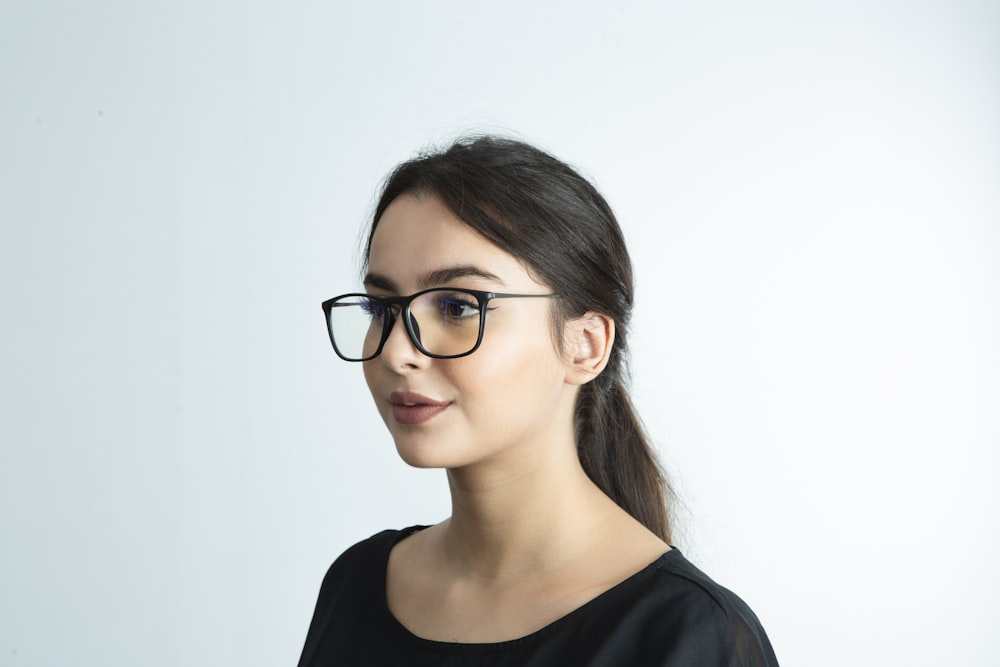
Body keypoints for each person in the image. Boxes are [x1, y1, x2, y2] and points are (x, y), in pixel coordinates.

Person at [299, 135, 778, 665]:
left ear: (585, 345)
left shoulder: (687, 634)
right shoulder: (358, 583)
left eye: (458, 307)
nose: (397, 352)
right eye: (380, 306)